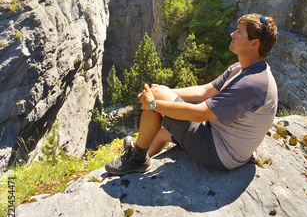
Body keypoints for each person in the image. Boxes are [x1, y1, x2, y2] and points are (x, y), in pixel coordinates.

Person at [105, 13, 278, 175]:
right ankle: (138, 156)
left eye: (239, 32)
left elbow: (200, 114)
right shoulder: (242, 68)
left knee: (159, 97)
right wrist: (164, 92)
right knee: (161, 131)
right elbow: (205, 90)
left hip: (219, 154)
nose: (232, 34)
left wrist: (154, 103)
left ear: (254, 43)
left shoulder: (252, 83)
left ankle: (135, 160)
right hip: (219, 137)